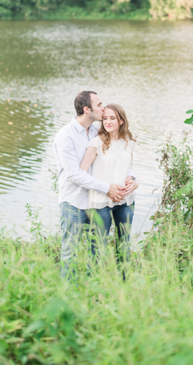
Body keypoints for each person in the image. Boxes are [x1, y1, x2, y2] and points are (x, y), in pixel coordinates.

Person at [53, 91, 136, 279]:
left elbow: (119, 162)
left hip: (96, 202)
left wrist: (132, 180)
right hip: (74, 202)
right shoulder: (66, 136)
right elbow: (74, 174)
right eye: (99, 105)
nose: (103, 108)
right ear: (86, 109)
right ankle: (69, 296)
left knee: (97, 250)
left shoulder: (95, 131)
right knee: (70, 253)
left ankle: (93, 292)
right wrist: (107, 188)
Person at [79, 103, 139, 268]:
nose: (108, 122)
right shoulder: (96, 143)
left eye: (112, 118)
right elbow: (82, 172)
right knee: (98, 247)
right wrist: (106, 189)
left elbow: (129, 168)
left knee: (124, 245)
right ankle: (94, 289)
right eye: (105, 118)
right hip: (101, 201)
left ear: (121, 120)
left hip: (125, 201)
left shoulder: (129, 142)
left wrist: (133, 181)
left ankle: (123, 287)